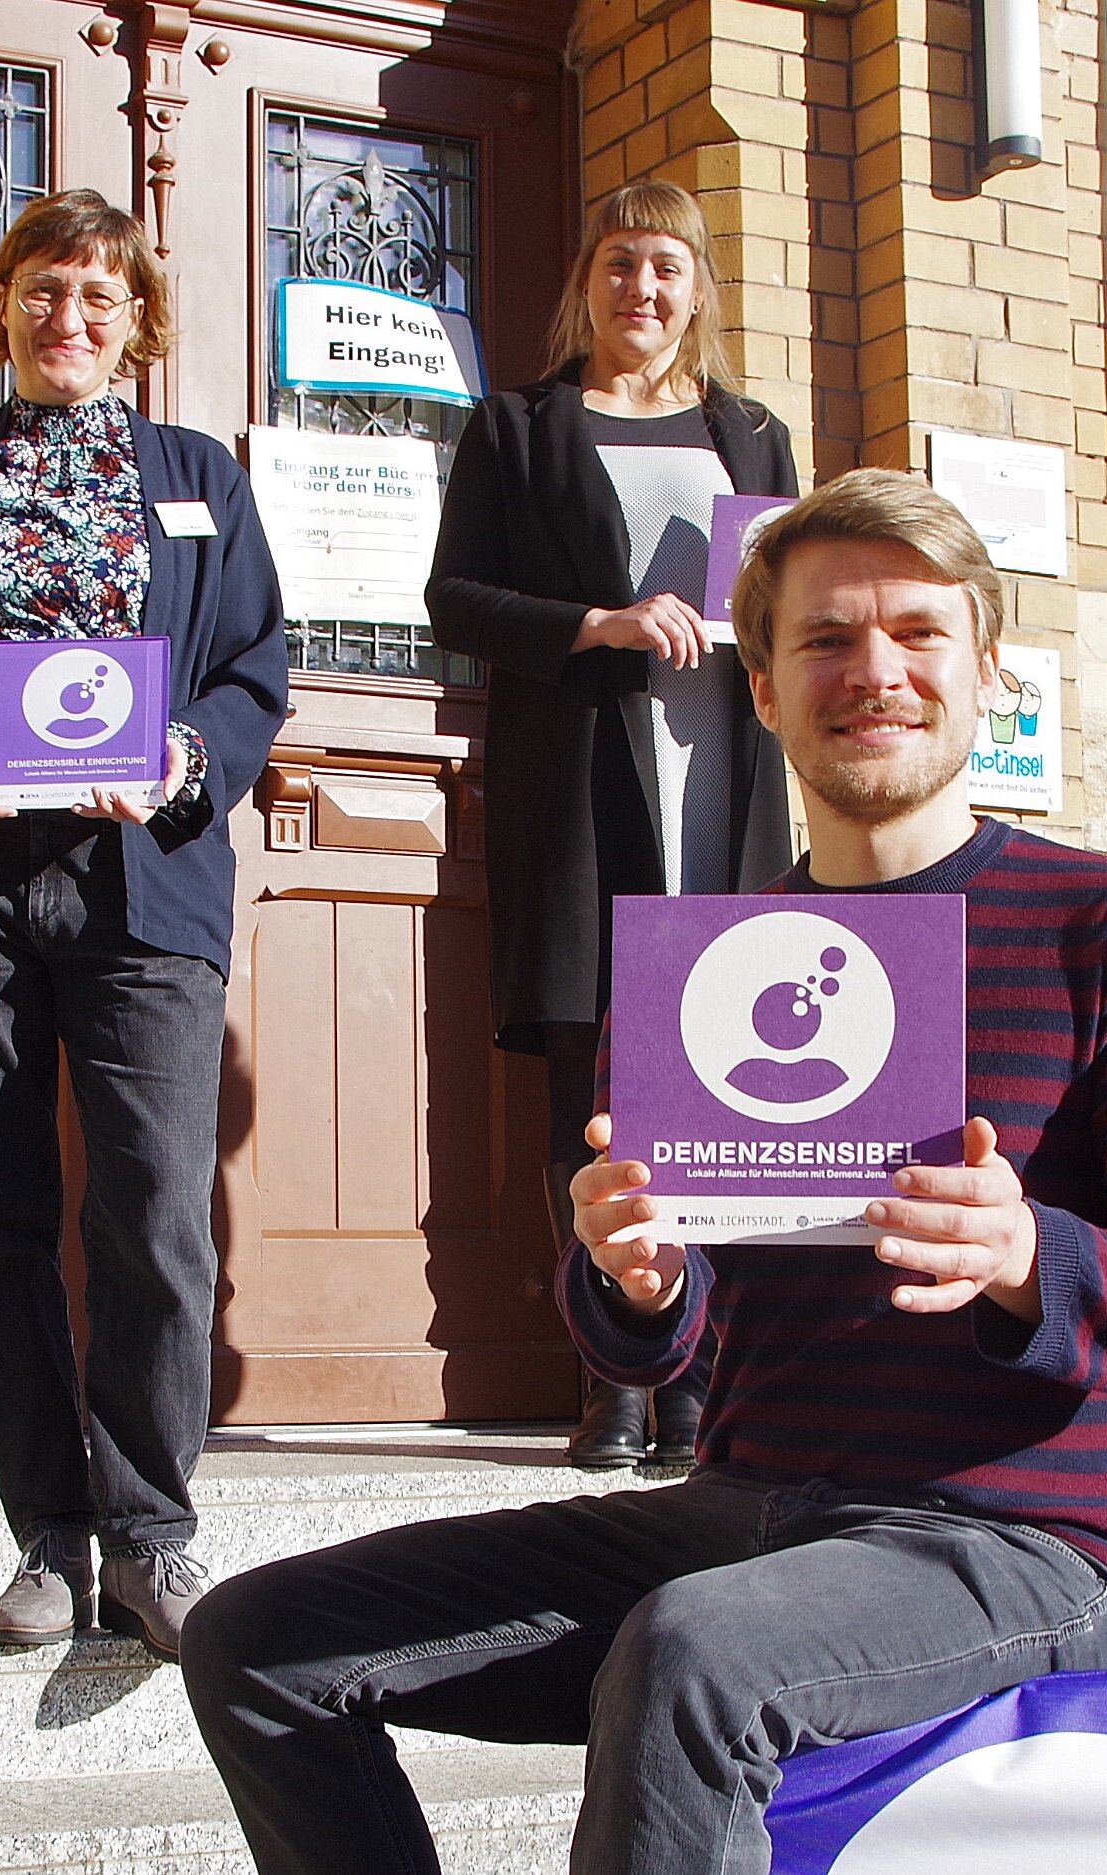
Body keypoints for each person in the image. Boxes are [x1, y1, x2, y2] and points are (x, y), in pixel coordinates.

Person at [181, 472, 1107, 1874]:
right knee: (258, 1644)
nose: (874, 671)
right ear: (761, 688)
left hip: (1027, 1539)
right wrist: (631, 1276)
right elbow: (659, 1336)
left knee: (696, 1657)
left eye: (918, 635)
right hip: (749, 1508)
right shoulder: (712, 967)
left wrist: (1024, 1255)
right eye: (825, 640)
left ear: (988, 675)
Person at [0, 190, 292, 1658]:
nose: (68, 318)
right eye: (41, 291)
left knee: (157, 1211)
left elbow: (254, 672)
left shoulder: (200, 479)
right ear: (4, 309)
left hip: (140, 884)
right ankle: (50, 1534)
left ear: (138, 323)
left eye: (98, 295)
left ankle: (152, 1528)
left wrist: (186, 758)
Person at [428, 179, 800, 1469]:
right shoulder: (517, 430)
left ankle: (697, 1371)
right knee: (589, 1078)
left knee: (720, 1076)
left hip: (727, 784)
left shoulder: (752, 435)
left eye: (668, 270)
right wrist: (598, 624)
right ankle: (613, 1374)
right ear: (585, 282)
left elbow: (789, 592)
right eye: (622, 266)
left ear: (698, 291)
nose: (643, 290)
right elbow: (456, 603)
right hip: (587, 784)